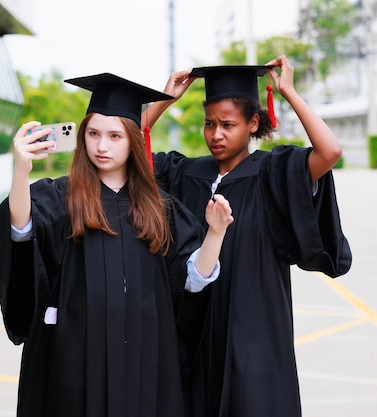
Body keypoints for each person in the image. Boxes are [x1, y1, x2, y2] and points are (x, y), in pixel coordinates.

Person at [0, 73, 234, 417]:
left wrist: (215, 234)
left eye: (115, 136)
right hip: (75, 357)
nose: (102, 146)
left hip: (145, 356)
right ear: (82, 136)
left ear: (132, 140)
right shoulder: (61, 196)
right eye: (93, 134)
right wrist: (21, 172)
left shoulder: (160, 207)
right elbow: (23, 232)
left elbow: (190, 279)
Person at [142, 55, 353, 417]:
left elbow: (330, 151)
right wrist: (164, 100)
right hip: (196, 330)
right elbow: (125, 151)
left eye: (228, 124)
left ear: (253, 123)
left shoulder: (274, 172)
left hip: (254, 329)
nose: (216, 135)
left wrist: (288, 91)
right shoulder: (186, 173)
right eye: (210, 124)